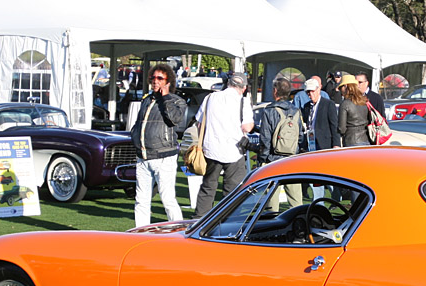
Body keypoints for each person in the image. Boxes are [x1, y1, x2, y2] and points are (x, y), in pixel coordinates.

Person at [130, 63, 187, 226]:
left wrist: (166, 98)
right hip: (143, 156)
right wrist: (135, 137)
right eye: (153, 78)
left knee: (167, 199)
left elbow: (175, 119)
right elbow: (139, 123)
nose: (155, 81)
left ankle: (179, 229)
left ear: (168, 81)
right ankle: (140, 233)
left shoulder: (177, 101)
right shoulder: (147, 100)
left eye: (160, 78)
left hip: (164, 157)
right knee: (141, 200)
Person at [194, 71, 254, 217]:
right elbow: (247, 127)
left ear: (228, 83)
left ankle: (199, 219)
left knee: (208, 186)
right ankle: (227, 219)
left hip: (211, 148)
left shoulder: (210, 97)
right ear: (244, 88)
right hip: (234, 150)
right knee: (232, 189)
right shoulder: (243, 102)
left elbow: (199, 123)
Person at [258, 79, 304, 211]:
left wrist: (263, 159)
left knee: (271, 203)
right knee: (296, 201)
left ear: (275, 91)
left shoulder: (269, 111)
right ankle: (301, 226)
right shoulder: (296, 111)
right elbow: (300, 136)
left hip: (272, 160)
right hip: (292, 160)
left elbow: (265, 138)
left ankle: (272, 229)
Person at [303, 79, 339, 151]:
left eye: (313, 91)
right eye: (308, 92)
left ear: (318, 89)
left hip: (324, 144)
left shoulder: (328, 104)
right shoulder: (306, 106)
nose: (311, 94)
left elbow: (334, 125)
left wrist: (336, 144)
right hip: (310, 143)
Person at [337, 74, 370, 147]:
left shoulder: (345, 104)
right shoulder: (364, 101)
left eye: (341, 87)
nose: (340, 90)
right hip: (365, 140)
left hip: (351, 141)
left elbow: (342, 128)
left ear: (345, 86)